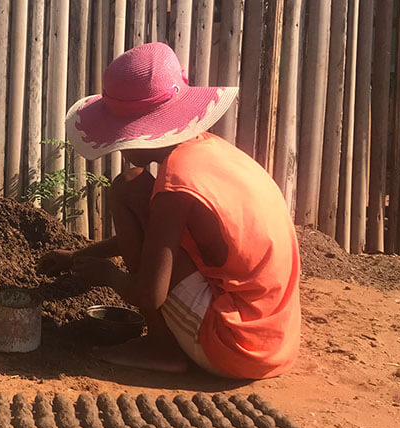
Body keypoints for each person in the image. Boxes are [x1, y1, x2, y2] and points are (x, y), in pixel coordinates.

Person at [41, 42, 300, 380]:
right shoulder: (207, 154)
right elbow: (158, 241)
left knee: (125, 187)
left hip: (234, 346)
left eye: (121, 133)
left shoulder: (176, 184)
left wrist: (106, 275)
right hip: (275, 339)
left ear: (144, 128)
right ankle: (169, 341)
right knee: (131, 185)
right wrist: (78, 255)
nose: (118, 145)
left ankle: (161, 347)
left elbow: (149, 293)